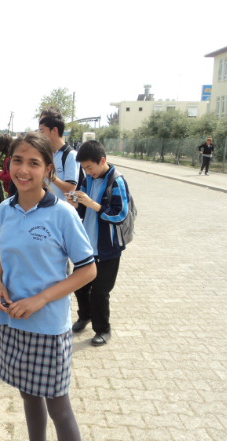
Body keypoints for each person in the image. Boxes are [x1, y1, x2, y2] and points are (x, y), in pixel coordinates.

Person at [0, 132, 97, 441]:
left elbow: (87, 270)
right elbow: (3, 256)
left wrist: (40, 299)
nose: (23, 169)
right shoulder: (5, 209)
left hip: (48, 326)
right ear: (9, 164)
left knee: (58, 406)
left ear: (48, 170)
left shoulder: (63, 214)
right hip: (12, 320)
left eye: (34, 163)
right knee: (27, 394)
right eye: (17, 161)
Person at [68, 140, 131, 347]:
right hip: (86, 246)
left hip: (107, 249)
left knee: (100, 292)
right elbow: (83, 211)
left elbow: (120, 215)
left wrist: (94, 205)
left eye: (89, 167)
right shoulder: (88, 179)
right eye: (84, 168)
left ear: (102, 160)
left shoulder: (117, 181)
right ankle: (84, 317)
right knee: (80, 286)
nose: (87, 172)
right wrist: (76, 203)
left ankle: (103, 329)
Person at [37, 106, 80, 201]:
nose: (40, 135)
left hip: (61, 213)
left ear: (54, 130)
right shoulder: (46, 153)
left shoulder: (70, 155)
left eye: (42, 131)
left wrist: (50, 176)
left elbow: (71, 189)